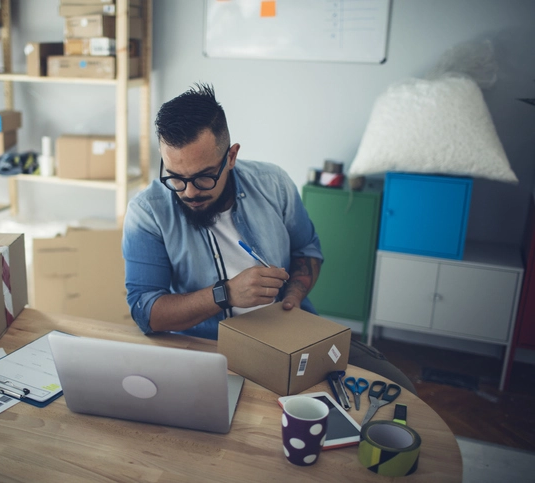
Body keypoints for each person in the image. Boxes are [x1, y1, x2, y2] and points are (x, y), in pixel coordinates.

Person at [122, 83, 416, 394]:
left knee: (397, 385)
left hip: (290, 332)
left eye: (204, 176)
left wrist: (294, 294)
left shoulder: (273, 183)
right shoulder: (147, 212)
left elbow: (307, 249)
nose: (190, 191)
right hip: (206, 347)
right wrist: (226, 294)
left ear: (231, 156)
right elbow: (145, 310)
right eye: (175, 177)